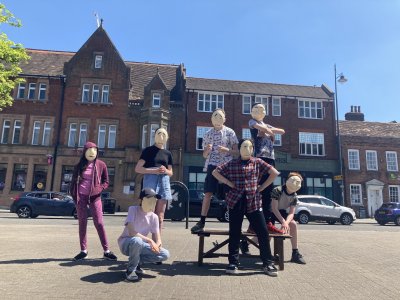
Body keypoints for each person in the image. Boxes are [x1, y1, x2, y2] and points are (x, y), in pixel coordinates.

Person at [212, 139, 280, 276]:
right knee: (235, 232)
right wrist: (227, 182)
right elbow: (215, 172)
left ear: (253, 149)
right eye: (244, 146)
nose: (247, 149)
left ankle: (268, 263)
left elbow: (274, 173)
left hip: (253, 201)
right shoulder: (232, 163)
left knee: (262, 232)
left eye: (250, 146)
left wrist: (262, 187)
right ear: (239, 148)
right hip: (235, 201)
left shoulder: (257, 162)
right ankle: (233, 263)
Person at [240, 103, 286, 255]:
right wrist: (269, 132)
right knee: (259, 194)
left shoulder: (266, 124)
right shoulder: (252, 122)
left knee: (268, 192)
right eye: (256, 109)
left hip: (270, 159)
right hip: (259, 159)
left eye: (261, 109)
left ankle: (266, 223)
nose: (258, 111)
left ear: (265, 112)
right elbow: (264, 131)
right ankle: (261, 224)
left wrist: (268, 130)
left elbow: (282, 131)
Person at [191, 108, 238, 233]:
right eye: (215, 117)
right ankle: (202, 221)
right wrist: (207, 150)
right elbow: (204, 155)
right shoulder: (207, 134)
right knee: (208, 193)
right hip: (212, 165)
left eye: (220, 117)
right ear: (212, 119)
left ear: (224, 119)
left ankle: (234, 222)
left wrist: (227, 150)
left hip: (227, 166)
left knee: (229, 194)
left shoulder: (230, 132)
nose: (217, 119)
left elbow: (237, 152)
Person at [70, 141, 117, 261]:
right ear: (84, 152)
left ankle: (106, 251)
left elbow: (106, 181)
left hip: (95, 196)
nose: (92, 153)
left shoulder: (101, 165)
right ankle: (83, 251)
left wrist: (100, 188)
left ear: (97, 152)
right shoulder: (79, 165)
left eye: (94, 151)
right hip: (81, 197)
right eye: (89, 151)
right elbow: (73, 182)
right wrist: (74, 195)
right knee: (82, 223)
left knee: (99, 223)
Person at [118, 188, 170, 282]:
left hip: (140, 245)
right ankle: (130, 270)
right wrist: (150, 241)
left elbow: (158, 238)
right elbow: (132, 233)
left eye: (154, 200)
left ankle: (136, 262)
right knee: (137, 240)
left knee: (165, 254)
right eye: (149, 200)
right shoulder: (133, 209)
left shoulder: (154, 217)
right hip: (126, 243)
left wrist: (157, 245)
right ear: (141, 200)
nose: (152, 203)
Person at [135, 128, 173, 232]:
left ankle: (157, 242)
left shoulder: (168, 153)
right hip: (150, 181)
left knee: (160, 216)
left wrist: (165, 170)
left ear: (167, 138)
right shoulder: (148, 151)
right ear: (155, 135)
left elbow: (171, 172)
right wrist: (154, 170)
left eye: (164, 134)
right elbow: (138, 168)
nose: (161, 136)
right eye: (159, 133)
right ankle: (144, 241)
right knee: (148, 213)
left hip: (164, 181)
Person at [271, 172, 306, 264]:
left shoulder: (294, 196)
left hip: (282, 211)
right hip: (270, 212)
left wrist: (286, 222)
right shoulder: (277, 190)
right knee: (268, 232)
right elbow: (274, 209)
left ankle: (295, 252)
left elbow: (291, 213)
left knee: (293, 224)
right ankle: (246, 243)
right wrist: (283, 221)